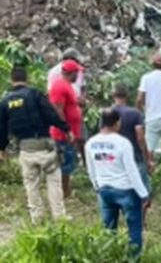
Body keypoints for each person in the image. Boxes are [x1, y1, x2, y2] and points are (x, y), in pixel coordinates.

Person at [0, 66, 73, 224]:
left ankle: (37, 219)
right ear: (27, 79)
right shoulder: (34, 94)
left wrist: (2, 148)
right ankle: (59, 217)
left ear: (12, 80)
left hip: (26, 149)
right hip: (45, 146)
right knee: (53, 182)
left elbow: (2, 127)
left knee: (31, 185)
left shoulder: (5, 101)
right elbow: (51, 113)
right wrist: (66, 129)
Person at [85, 108, 150, 256]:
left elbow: (90, 169)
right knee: (134, 227)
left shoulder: (90, 143)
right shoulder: (123, 143)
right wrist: (144, 194)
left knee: (108, 229)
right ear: (117, 123)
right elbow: (132, 171)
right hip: (126, 190)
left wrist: (97, 187)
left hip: (104, 190)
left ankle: (110, 255)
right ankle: (133, 258)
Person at [48, 59, 85, 199]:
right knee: (64, 163)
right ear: (72, 73)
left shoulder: (68, 86)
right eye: (77, 72)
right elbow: (58, 110)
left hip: (69, 133)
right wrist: (67, 130)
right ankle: (63, 193)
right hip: (62, 134)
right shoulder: (59, 87)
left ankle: (65, 191)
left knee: (68, 163)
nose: (79, 75)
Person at [112, 83, 153, 193]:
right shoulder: (135, 113)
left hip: (114, 153)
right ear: (127, 96)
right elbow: (140, 136)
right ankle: (143, 197)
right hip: (134, 152)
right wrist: (147, 157)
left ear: (113, 96)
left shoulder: (107, 113)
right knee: (142, 184)